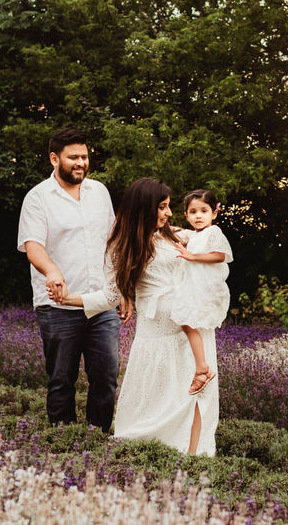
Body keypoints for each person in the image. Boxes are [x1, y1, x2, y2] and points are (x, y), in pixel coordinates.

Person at [52, 178, 218, 455]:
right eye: (162, 207)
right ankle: (147, 456)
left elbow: (206, 237)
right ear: (144, 208)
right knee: (156, 399)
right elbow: (109, 296)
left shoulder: (173, 235)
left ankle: (195, 457)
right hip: (157, 333)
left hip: (190, 328)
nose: (168, 213)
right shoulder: (121, 245)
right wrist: (67, 298)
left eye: (168, 207)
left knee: (196, 397)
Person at [16, 128, 120, 432]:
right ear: (54, 158)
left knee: (106, 377)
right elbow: (33, 245)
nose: (81, 163)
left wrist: (121, 289)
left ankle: (96, 438)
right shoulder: (38, 198)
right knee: (62, 379)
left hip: (101, 303)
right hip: (58, 306)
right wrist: (52, 271)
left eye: (84, 157)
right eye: (73, 157)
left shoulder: (99, 192)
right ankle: (63, 441)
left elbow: (112, 244)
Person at [168, 189, 233, 395]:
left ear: (214, 213)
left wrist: (193, 256)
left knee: (186, 321)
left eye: (204, 211)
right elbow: (173, 231)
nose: (198, 216)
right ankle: (200, 367)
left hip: (205, 289)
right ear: (186, 215)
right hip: (193, 288)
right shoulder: (194, 235)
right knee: (185, 322)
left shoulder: (213, 232)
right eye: (193, 211)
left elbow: (221, 255)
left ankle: (202, 369)